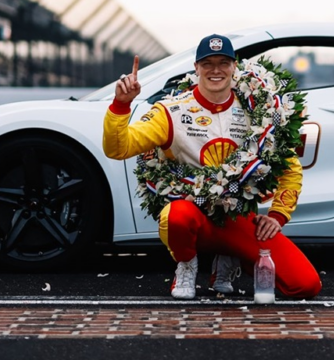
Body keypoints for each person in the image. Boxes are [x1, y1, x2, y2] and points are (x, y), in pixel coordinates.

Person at [102, 34, 321, 300]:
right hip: (191, 213)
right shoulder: (170, 111)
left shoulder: (258, 107)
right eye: (207, 63)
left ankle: (229, 259)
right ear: (196, 68)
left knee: (305, 285)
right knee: (176, 216)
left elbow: (289, 168)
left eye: (223, 62)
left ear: (234, 66)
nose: (215, 70)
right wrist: (121, 104)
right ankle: (186, 263)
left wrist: (278, 215)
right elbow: (118, 148)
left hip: (237, 217)